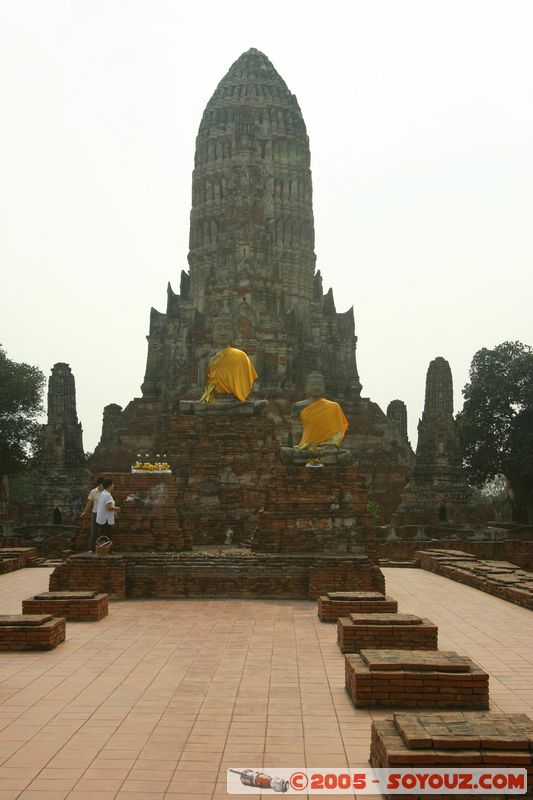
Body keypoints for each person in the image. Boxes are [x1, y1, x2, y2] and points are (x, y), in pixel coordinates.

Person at [80, 477, 104, 553]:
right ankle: (91, 548)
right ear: (99, 484)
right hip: (95, 513)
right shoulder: (93, 492)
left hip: (104, 513)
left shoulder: (106, 492)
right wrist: (85, 512)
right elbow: (89, 503)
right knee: (93, 531)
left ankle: (104, 548)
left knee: (103, 531)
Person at [95, 478, 120, 546]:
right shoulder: (107, 495)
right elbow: (108, 507)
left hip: (103, 518)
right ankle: (106, 550)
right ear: (109, 486)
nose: (113, 486)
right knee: (107, 536)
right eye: (112, 484)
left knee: (103, 535)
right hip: (105, 519)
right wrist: (117, 508)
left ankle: (104, 549)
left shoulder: (103, 493)